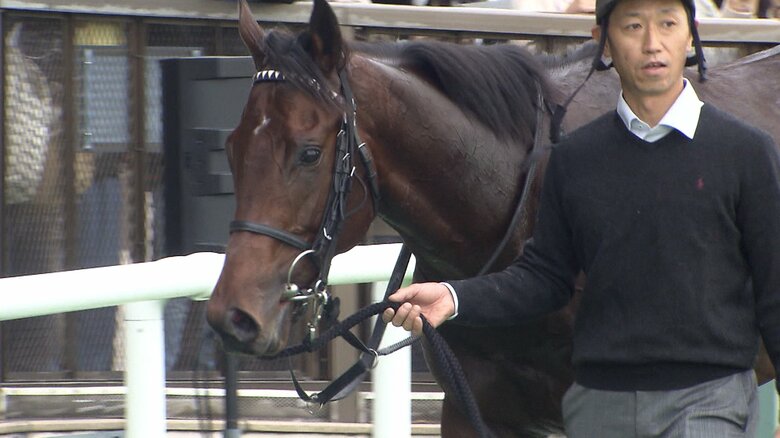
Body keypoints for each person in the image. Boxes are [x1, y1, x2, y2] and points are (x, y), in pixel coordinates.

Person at [382, 0, 780, 435]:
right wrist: (454, 298)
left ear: (690, 36)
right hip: (598, 407)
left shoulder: (746, 153)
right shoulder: (574, 160)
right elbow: (545, 277)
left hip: (708, 402)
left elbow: (774, 289)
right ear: (602, 43)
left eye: (667, 24)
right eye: (632, 26)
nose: (652, 44)